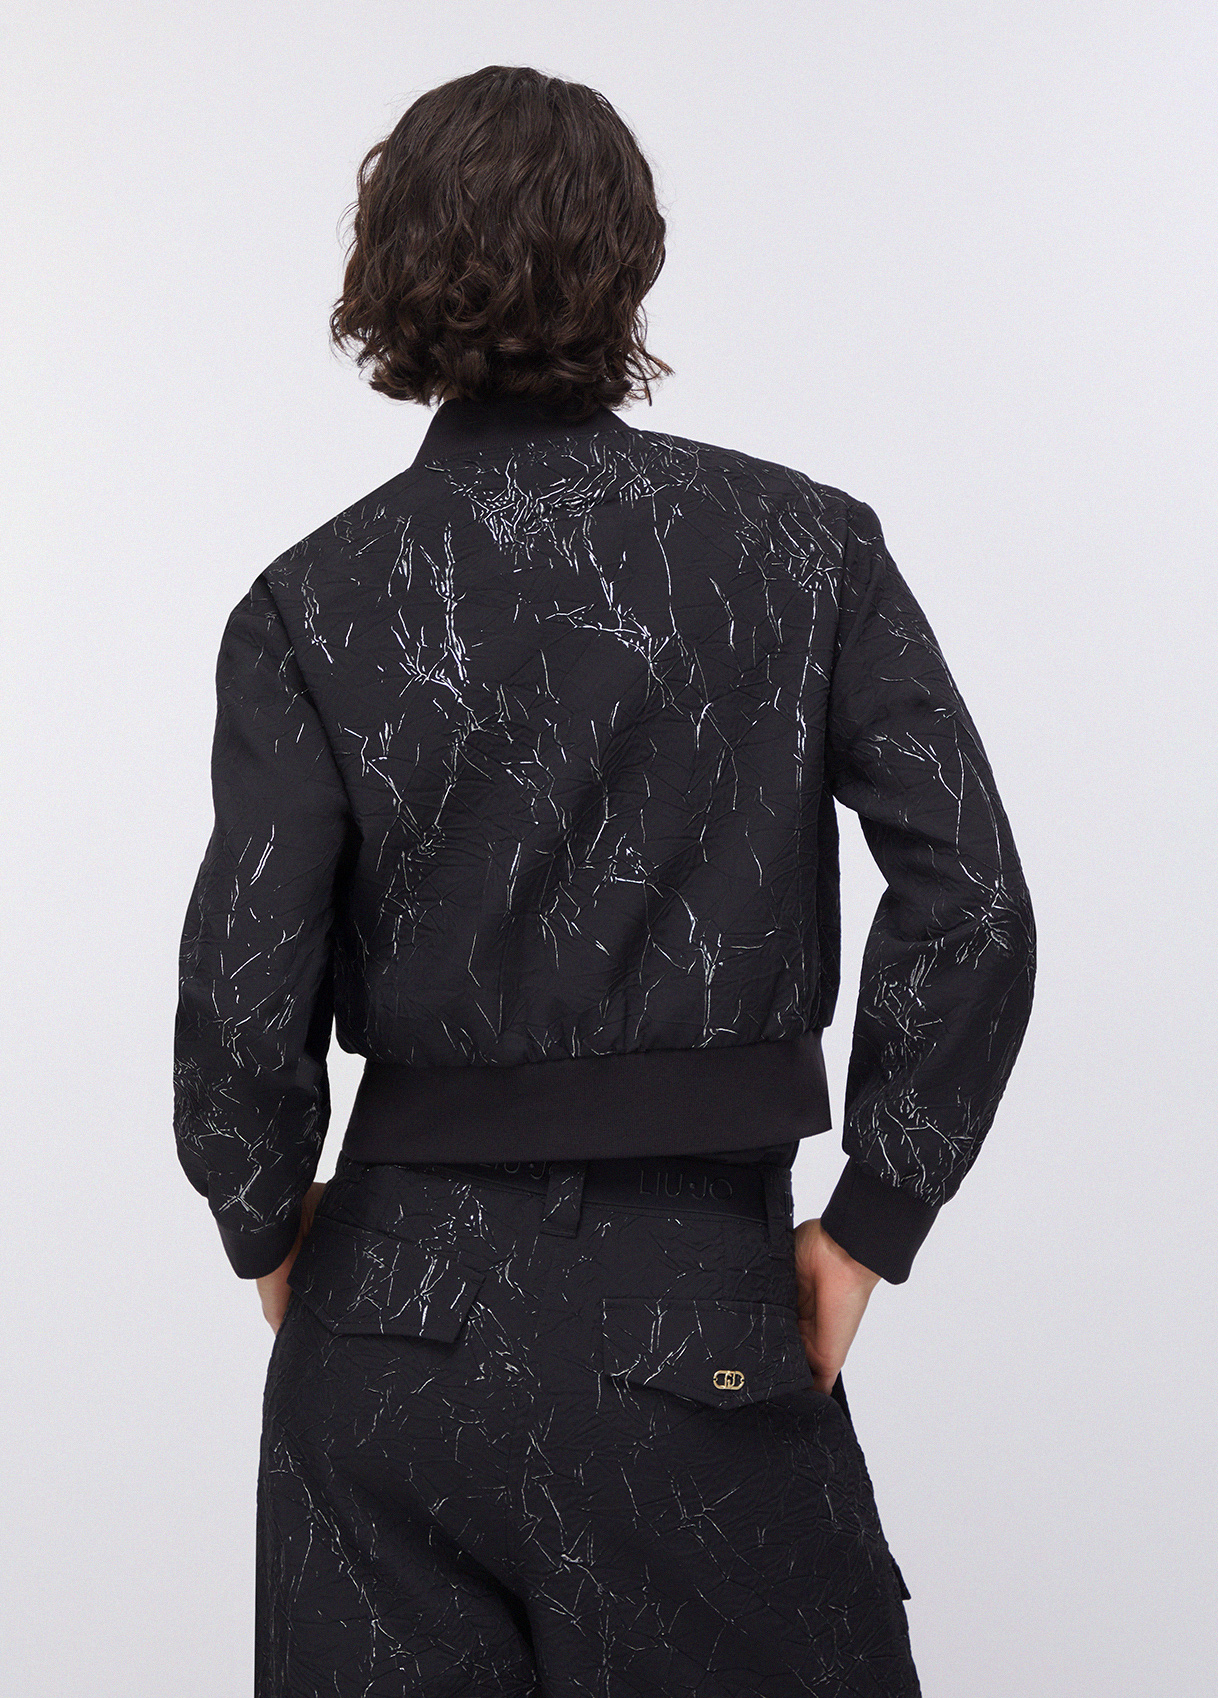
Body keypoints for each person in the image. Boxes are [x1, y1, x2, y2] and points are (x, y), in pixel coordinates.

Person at [173, 64, 1036, 1698]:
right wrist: (869, 1224)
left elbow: (239, 987)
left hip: (388, 1318)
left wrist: (268, 1232)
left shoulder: (311, 600)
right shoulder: (801, 549)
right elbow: (972, 898)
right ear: (630, 261)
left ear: (386, 268)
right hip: (689, 1306)